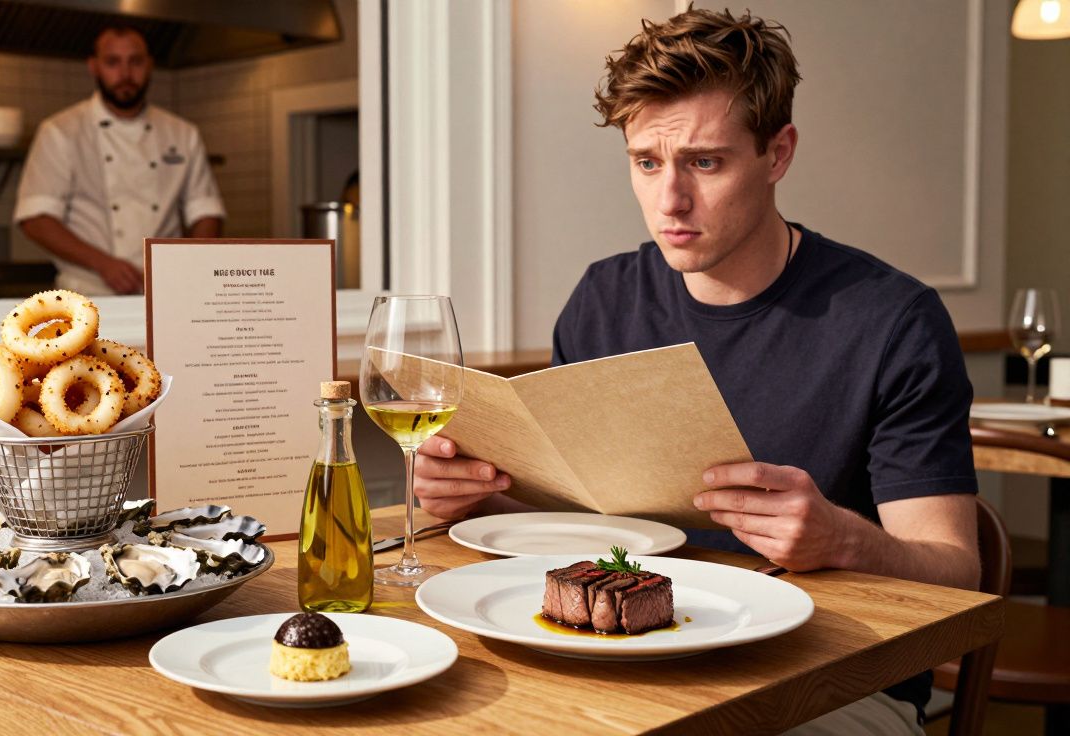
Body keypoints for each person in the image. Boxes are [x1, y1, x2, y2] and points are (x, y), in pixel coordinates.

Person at [413, 7, 978, 734]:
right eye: (647, 162)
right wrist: (474, 499)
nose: (669, 200)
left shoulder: (894, 320)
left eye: (704, 162)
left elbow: (960, 572)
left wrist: (844, 539)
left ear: (777, 155)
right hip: (629, 659)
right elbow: (579, 525)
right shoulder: (604, 299)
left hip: (832, 684)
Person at [15, 25, 226, 296]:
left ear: (149, 65)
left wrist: (188, 269)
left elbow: (206, 212)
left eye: (135, 62)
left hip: (164, 292)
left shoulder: (182, 133)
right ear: (94, 66)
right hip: (86, 294)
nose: (125, 74)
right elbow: (36, 219)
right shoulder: (61, 131)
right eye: (113, 62)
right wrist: (103, 264)